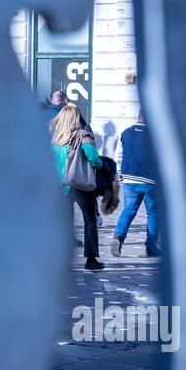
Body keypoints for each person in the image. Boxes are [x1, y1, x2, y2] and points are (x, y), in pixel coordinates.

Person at [52, 103, 105, 271]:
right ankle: (91, 260)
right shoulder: (83, 136)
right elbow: (94, 159)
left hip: (61, 186)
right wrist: (103, 167)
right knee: (89, 219)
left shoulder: (55, 139)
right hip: (80, 183)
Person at [111, 109, 160, 258]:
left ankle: (118, 236)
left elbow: (118, 155)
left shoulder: (125, 133)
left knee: (128, 210)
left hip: (129, 179)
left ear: (137, 116)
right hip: (149, 180)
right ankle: (151, 247)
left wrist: (119, 172)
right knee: (153, 213)